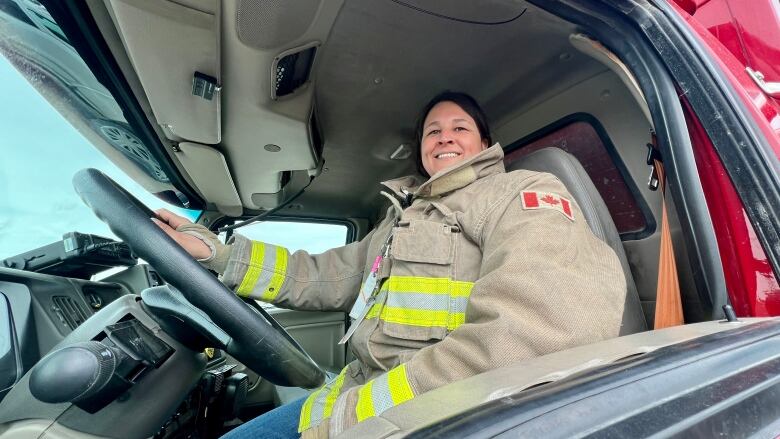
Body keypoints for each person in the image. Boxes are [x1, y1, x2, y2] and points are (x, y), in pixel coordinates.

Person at [155, 91, 627, 438]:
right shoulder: (399, 218)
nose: (444, 137)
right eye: (432, 131)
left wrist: (367, 412)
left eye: (459, 128)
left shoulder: (516, 193)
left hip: (427, 416)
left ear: (485, 142)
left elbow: (539, 330)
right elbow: (320, 274)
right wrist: (217, 254)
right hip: (349, 397)